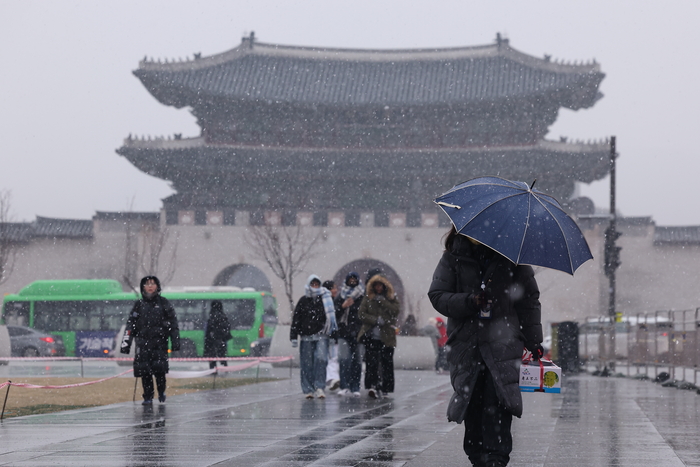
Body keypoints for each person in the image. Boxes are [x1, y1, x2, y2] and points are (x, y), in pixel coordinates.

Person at [428, 227, 543, 467]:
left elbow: (529, 300)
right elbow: (438, 295)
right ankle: (479, 457)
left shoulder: (513, 257)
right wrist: (470, 301)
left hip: (503, 342)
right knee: (472, 402)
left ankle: (496, 459)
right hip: (466, 344)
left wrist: (534, 340)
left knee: (499, 400)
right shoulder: (453, 256)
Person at [120, 276, 180, 405]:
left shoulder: (164, 303)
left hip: (160, 344)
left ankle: (161, 391)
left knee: (160, 372)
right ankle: (147, 396)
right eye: (147, 284)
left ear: (157, 286)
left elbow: (173, 325)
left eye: (153, 284)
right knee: (145, 372)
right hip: (143, 345)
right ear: (143, 287)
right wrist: (126, 345)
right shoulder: (138, 305)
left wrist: (175, 343)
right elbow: (131, 325)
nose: (150, 286)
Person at [290, 275, 338, 399]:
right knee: (307, 363)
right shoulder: (303, 301)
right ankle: (308, 389)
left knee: (321, 359)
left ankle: (320, 387)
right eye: (313, 284)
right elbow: (296, 319)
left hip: (322, 335)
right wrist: (294, 336)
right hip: (306, 337)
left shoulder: (325, 300)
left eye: (317, 284)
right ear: (309, 285)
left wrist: (333, 335)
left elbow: (331, 319)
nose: (315, 287)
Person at [357, 274, 399, 399]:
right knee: (372, 362)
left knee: (387, 362)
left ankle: (386, 387)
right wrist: (375, 320)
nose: (379, 288)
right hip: (372, 336)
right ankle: (372, 385)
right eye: (376, 286)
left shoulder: (391, 298)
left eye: (380, 286)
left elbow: (395, 311)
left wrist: (383, 302)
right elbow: (361, 314)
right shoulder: (368, 298)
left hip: (387, 337)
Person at [334, 272, 364, 397]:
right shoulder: (341, 296)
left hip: (358, 334)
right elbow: (334, 314)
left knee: (357, 361)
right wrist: (343, 306)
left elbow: (365, 314)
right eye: (350, 279)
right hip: (343, 332)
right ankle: (344, 385)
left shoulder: (363, 296)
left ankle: (355, 386)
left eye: (354, 279)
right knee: (344, 359)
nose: (352, 282)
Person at [322, 280, 340, 392]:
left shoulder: (334, 302)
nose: (335, 290)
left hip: (334, 336)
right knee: (331, 358)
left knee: (333, 358)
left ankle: (332, 379)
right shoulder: (327, 302)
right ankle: (332, 379)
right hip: (327, 335)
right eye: (333, 288)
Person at [204, 300, 232, 369]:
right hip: (221, 340)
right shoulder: (223, 316)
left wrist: (210, 339)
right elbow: (227, 328)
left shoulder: (212, 316)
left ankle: (213, 372)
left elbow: (209, 330)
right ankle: (225, 369)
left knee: (212, 359)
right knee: (222, 357)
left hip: (212, 341)